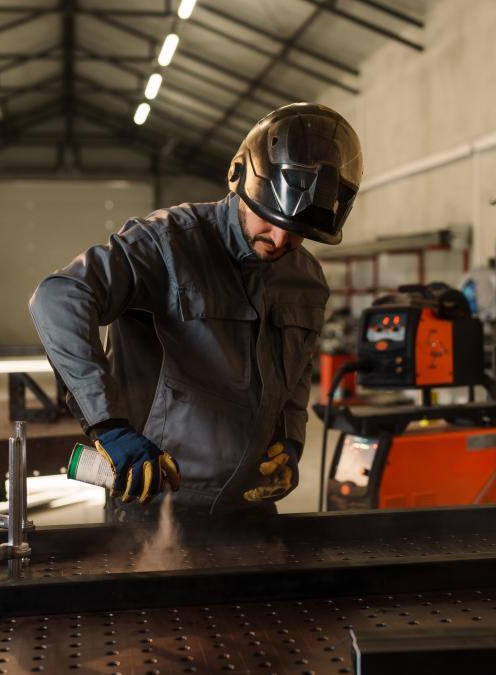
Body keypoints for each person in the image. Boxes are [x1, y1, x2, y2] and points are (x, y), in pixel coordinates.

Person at [29, 103, 362, 518]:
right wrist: (108, 425)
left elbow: (295, 376)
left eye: (297, 232)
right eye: (269, 219)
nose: (279, 239)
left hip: (249, 512)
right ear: (240, 178)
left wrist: (290, 445)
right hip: (154, 505)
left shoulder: (305, 279)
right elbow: (59, 298)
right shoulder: (167, 244)